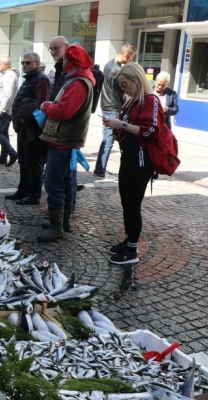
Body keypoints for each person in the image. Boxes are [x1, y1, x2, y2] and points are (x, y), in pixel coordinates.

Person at [101, 62, 165, 265]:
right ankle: (128, 242)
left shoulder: (150, 100)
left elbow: (150, 131)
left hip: (141, 160)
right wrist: (115, 127)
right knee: (126, 202)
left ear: (136, 80)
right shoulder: (130, 102)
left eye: (124, 84)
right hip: (128, 157)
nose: (123, 88)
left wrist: (121, 124)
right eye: (121, 85)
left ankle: (131, 251)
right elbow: (125, 132)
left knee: (132, 204)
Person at [37, 45, 95, 242]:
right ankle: (62, 222)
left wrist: (45, 106)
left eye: (64, 59)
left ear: (71, 62)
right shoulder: (77, 79)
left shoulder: (78, 82)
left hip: (63, 140)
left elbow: (64, 111)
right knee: (65, 181)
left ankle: (57, 226)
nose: (61, 61)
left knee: (54, 182)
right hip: (63, 140)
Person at [5, 52, 50, 205]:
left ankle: (33, 195)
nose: (24, 65)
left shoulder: (41, 79)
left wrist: (25, 112)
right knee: (23, 161)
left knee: (33, 162)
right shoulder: (29, 78)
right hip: (23, 127)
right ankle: (22, 191)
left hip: (32, 128)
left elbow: (42, 103)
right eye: (23, 62)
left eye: (28, 63)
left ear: (36, 64)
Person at [94, 43, 137, 178]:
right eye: (131, 58)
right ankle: (101, 170)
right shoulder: (117, 70)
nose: (130, 61)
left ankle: (99, 168)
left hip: (107, 104)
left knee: (107, 138)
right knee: (109, 139)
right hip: (113, 106)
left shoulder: (108, 64)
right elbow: (125, 90)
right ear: (126, 55)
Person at [0, 55, 19, 166]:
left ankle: (12, 153)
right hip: (6, 110)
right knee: (3, 133)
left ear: (6, 65)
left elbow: (8, 94)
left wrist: (1, 109)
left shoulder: (9, 76)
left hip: (4, 111)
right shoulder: (8, 75)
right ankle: (3, 156)